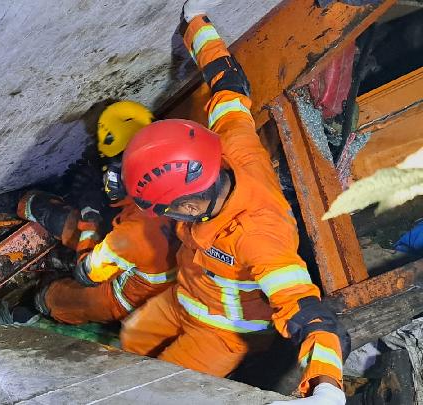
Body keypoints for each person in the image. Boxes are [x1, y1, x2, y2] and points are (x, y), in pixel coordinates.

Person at [118, 2, 347, 403]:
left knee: (155, 395)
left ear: (189, 207)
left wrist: (327, 386)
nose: (165, 218)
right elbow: (228, 84)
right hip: (183, 297)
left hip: (221, 333)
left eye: (165, 209)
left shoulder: (259, 237)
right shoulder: (233, 144)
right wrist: (197, 23)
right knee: (127, 346)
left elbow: (311, 316)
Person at [18, 100, 180, 325]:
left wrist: (90, 213)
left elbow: (86, 272)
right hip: (147, 261)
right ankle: (27, 205)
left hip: (124, 297)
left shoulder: (135, 234)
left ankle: (41, 301)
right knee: (59, 216)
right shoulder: (179, 181)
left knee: (55, 299)